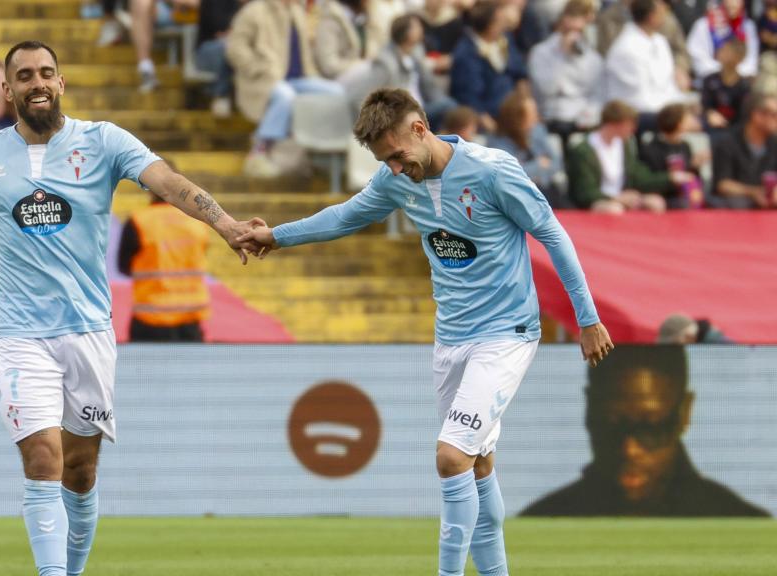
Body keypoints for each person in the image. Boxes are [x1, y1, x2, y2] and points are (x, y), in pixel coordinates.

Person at [237, 87, 613, 576]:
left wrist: (587, 318)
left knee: (451, 457)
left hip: (506, 333)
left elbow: (551, 234)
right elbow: (345, 216)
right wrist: (276, 236)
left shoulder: (492, 171)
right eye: (384, 161)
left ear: (420, 129)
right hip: (451, 336)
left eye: (396, 156)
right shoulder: (396, 180)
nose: (394, 169)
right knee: (477, 465)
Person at [0, 40, 265, 576]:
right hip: (20, 334)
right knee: (42, 458)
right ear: (7, 90)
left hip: (88, 332)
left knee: (81, 470)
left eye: (46, 72)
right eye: (24, 75)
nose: (36, 82)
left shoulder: (103, 141)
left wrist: (226, 224)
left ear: (62, 82)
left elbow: (170, 184)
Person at [521, 346, 769, 516]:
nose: (630, 449)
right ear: (590, 409)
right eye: (612, 425)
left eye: (651, 427)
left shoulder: (738, 519)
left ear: (685, 411)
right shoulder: (544, 518)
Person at [226, 0, 344, 178]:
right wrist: (256, 68)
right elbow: (235, 47)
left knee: (336, 93)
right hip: (265, 79)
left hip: (299, 79)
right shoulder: (254, 11)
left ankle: (323, 151)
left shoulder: (297, 12)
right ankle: (260, 150)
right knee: (286, 96)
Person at [118, 192, 211, 342]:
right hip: (190, 318)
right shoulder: (197, 221)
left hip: (151, 318)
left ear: (150, 190)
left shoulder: (139, 221)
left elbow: (123, 267)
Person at [347, 14, 457, 129]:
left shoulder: (416, 51)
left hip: (421, 107)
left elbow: (428, 85)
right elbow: (359, 98)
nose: (421, 29)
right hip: (402, 115)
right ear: (407, 32)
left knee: (452, 111)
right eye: (417, 26)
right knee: (449, 106)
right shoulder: (386, 63)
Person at [567, 100, 672, 213]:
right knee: (614, 209)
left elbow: (639, 176)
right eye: (630, 124)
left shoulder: (625, 144)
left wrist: (669, 178)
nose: (633, 129)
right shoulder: (583, 150)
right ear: (616, 124)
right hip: (598, 201)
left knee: (656, 203)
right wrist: (617, 198)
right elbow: (585, 192)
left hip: (622, 197)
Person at [528, 0, 603, 143]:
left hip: (583, 121)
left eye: (579, 30)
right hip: (552, 119)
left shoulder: (593, 58)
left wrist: (588, 116)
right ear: (562, 22)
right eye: (569, 29)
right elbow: (546, 90)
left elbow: (597, 95)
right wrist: (562, 56)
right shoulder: (540, 52)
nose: (574, 34)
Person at [449, 0, 528, 133]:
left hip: (514, 114)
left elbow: (520, 75)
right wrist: (494, 129)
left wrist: (525, 104)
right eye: (500, 21)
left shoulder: (505, 40)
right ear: (490, 26)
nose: (504, 24)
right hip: (489, 119)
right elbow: (470, 100)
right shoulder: (466, 54)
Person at [487, 85, 564, 204]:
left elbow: (557, 162)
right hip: (514, 195)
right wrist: (538, 165)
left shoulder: (538, 130)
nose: (536, 117)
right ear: (517, 118)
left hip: (544, 189)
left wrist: (540, 176)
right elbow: (508, 175)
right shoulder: (498, 140)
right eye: (532, 114)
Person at [711, 92, 777, 209]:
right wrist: (754, 192)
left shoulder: (774, 143)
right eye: (774, 115)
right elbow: (722, 184)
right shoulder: (728, 143)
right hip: (736, 209)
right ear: (757, 115)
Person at [639, 103, 707, 208]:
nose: (691, 121)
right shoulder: (651, 149)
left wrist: (695, 165)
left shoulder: (685, 145)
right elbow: (647, 181)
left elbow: (689, 175)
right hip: (664, 197)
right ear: (678, 123)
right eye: (687, 119)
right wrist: (671, 178)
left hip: (684, 194)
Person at [686, 0, 758, 81]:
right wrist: (724, 73)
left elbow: (751, 62)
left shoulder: (748, 26)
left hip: (740, 80)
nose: (732, 3)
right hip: (711, 80)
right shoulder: (703, 25)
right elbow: (698, 58)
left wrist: (734, 75)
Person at [195, 0, 244, 118]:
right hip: (206, 51)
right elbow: (220, 26)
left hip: (233, 46)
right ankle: (221, 95)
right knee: (228, 47)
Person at [701, 37, 751, 131]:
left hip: (736, 130)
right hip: (711, 127)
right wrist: (710, 114)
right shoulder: (709, 80)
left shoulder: (745, 86)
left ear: (739, 57)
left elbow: (744, 115)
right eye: (721, 50)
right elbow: (705, 106)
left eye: (726, 51)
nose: (721, 53)